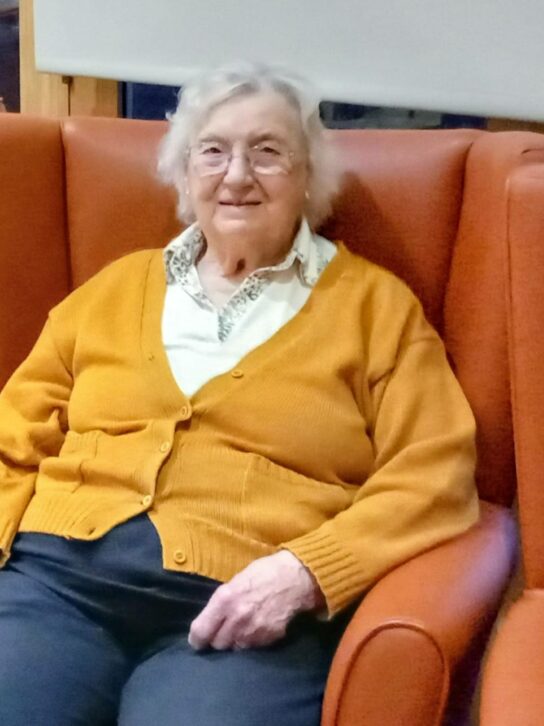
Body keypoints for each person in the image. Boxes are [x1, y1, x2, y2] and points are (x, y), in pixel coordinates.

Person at [0, 62, 478, 726]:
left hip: (243, 613)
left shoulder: (376, 309)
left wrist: (306, 573)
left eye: (268, 152)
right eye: (214, 151)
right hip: (57, 585)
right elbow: (13, 436)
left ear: (310, 176)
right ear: (184, 171)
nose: (236, 175)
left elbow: (436, 475)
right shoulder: (114, 289)